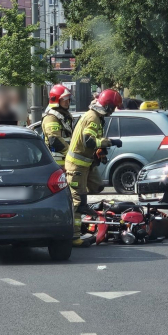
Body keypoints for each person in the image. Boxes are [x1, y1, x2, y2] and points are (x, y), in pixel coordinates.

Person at [65, 89, 123, 247]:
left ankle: (86, 212)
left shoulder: (97, 116)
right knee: (77, 201)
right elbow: (89, 141)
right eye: (113, 107)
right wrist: (109, 142)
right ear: (108, 105)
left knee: (96, 186)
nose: (113, 111)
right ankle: (74, 237)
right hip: (77, 166)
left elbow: (93, 141)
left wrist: (99, 152)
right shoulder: (93, 118)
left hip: (86, 164)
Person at [42, 84, 74, 168]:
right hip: (57, 163)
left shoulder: (64, 116)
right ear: (55, 100)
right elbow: (54, 139)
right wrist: (72, 154)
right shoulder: (51, 118)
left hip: (66, 161)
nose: (67, 102)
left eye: (68, 99)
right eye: (64, 99)